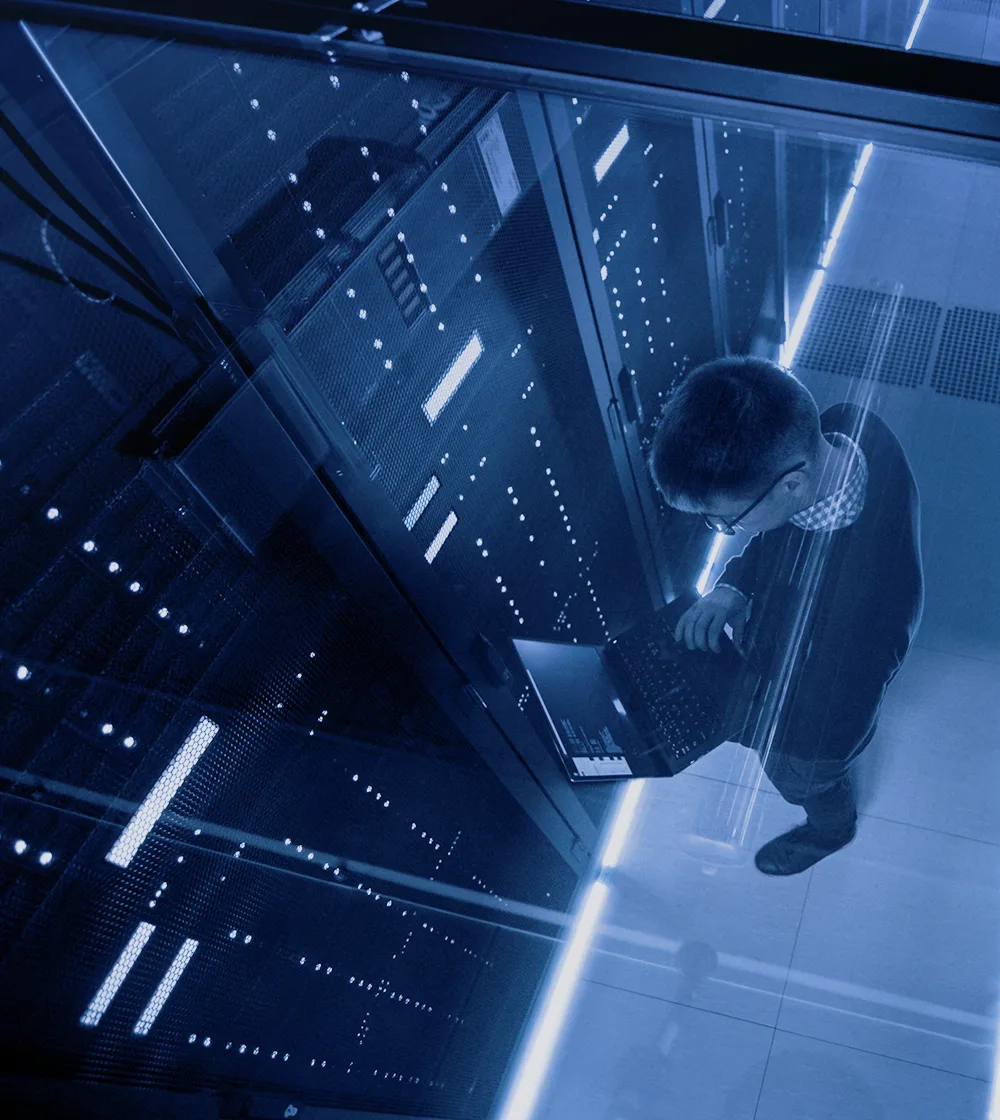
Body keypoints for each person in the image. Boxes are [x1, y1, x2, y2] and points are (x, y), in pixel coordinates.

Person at [647, 356, 924, 876]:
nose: (718, 527)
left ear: (792, 485)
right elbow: (781, 535)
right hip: (808, 670)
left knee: (803, 780)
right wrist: (733, 586)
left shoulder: (862, 619)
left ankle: (832, 829)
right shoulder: (846, 427)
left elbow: (822, 723)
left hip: (814, 735)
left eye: (724, 519)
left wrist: (709, 711)